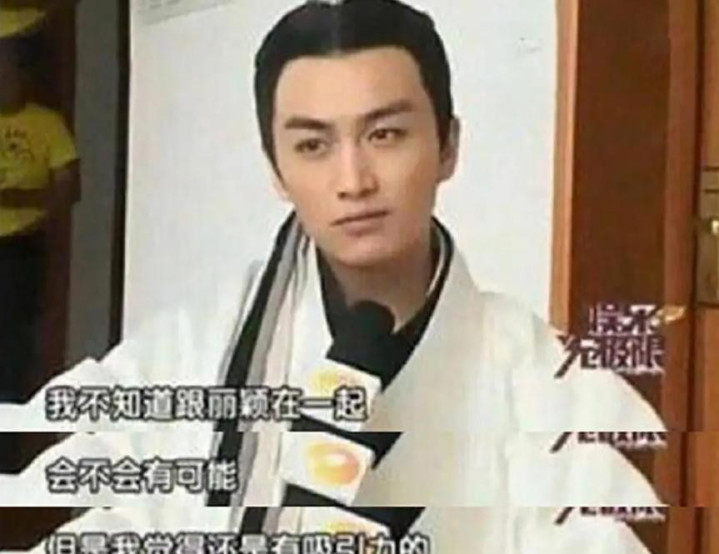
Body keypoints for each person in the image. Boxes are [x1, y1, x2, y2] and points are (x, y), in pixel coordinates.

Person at [0, 1, 663, 552]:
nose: (353, 181)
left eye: (385, 135)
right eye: (313, 145)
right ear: (275, 169)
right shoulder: (188, 355)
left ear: (448, 145)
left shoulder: (551, 383)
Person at [0, 36, 79, 471]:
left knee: (12, 354)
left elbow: (69, 188)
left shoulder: (46, 124)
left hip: (19, 250)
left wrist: (22, 200)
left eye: (8, 70)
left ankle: (8, 458)